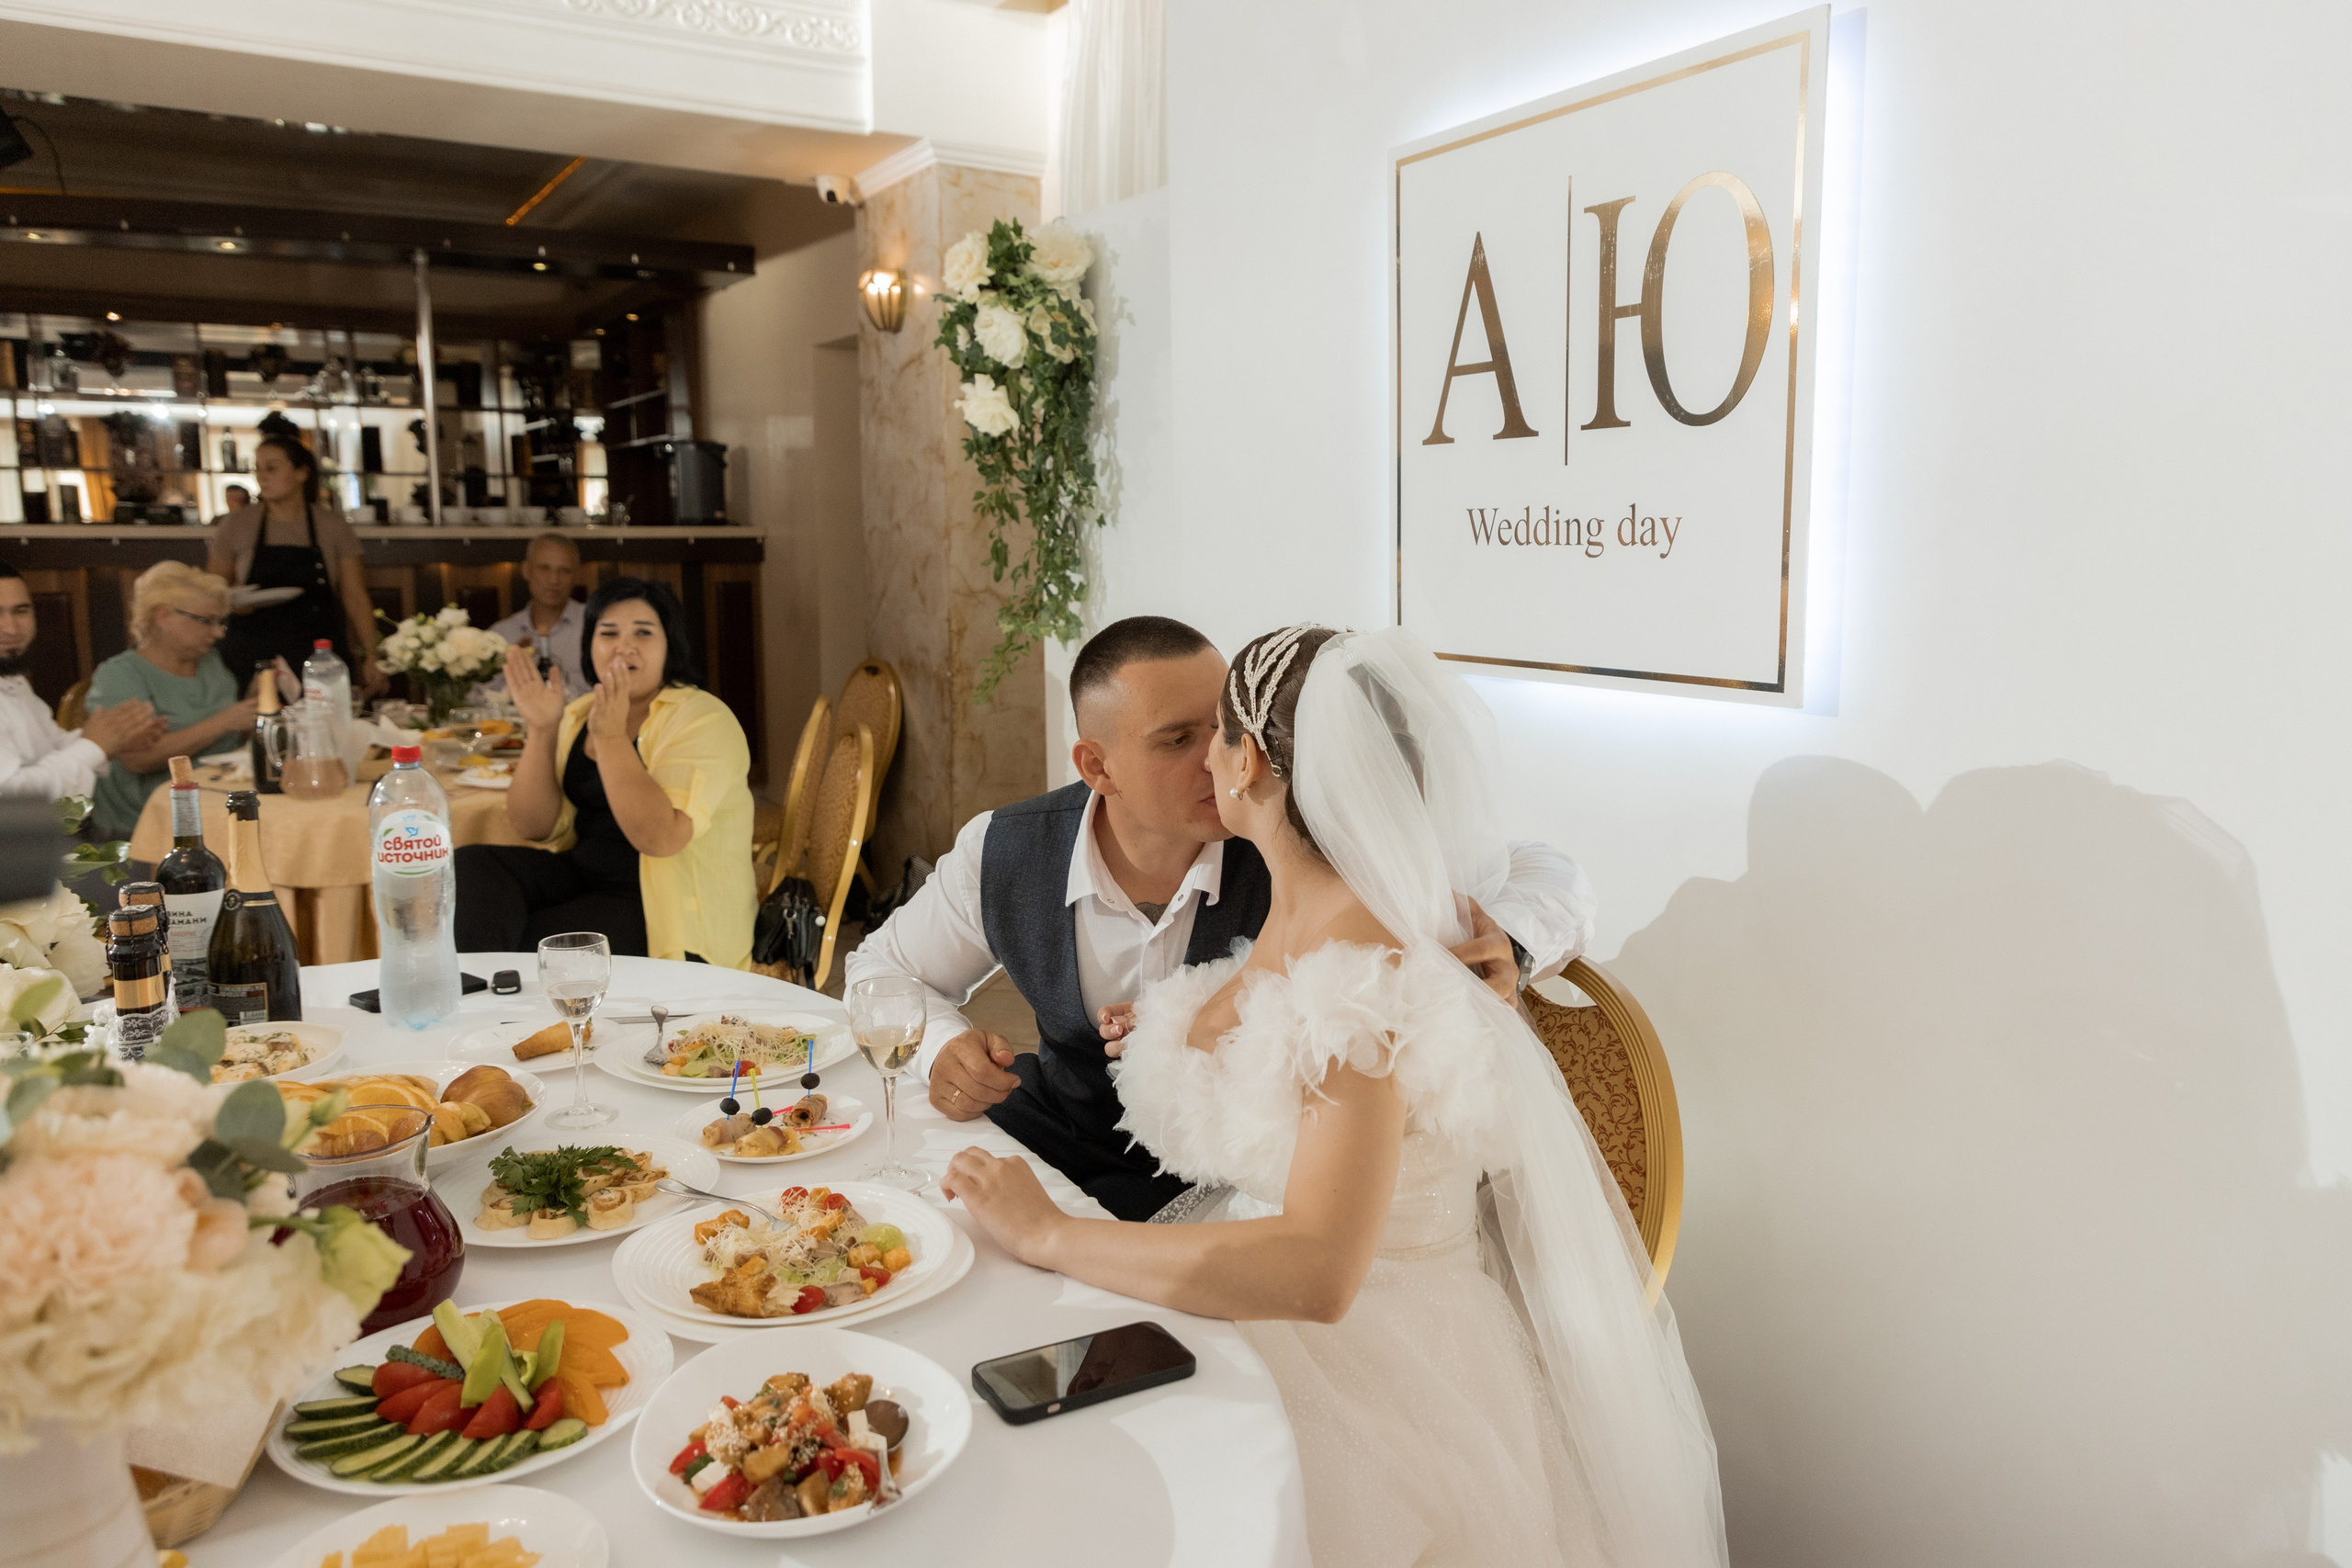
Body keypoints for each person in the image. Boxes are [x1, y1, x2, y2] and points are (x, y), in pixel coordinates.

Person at [943, 626, 1727, 1568]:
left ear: (1256, 767)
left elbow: (1320, 1268)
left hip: (1374, 1363)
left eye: (1216, 736)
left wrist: (1050, 1234)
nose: (1203, 763)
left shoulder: (1364, 976)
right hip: (1254, 1277)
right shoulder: (1301, 901)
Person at [844, 615, 1593, 1221]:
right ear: (1096, 766)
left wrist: (1512, 944)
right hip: (1053, 1152)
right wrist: (940, 1046)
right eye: (1177, 739)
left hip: (1216, 1196)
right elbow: (880, 968)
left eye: (1221, 725)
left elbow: (1547, 870)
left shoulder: (1299, 842)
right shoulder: (1005, 849)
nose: (1221, 759)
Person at [452, 577, 756, 965]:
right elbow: (534, 826)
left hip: (663, 902)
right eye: (608, 632)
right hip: (585, 875)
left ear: (670, 647)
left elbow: (661, 838)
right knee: (473, 866)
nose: (623, 646)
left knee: (532, 945)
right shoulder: (579, 714)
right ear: (589, 645)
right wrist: (543, 730)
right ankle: (483, 990)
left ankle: (489, 992)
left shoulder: (701, 718)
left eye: (643, 633)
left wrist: (612, 739)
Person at [85, 561, 294, 840]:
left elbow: (230, 744)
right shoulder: (120, 675)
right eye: (207, 621)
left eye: (221, 622)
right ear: (163, 616)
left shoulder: (211, 664)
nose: (219, 633)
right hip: (146, 826)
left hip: (216, 806)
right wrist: (222, 722)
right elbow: (137, 759)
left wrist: (254, 701)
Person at [207, 434, 385, 695]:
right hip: (254, 651)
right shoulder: (235, 524)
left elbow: (355, 596)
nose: (262, 476)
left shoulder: (333, 526)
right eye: (258, 469)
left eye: (272, 468)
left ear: (302, 473)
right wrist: (233, 604)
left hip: (319, 652)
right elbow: (213, 589)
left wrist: (372, 655)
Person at [0, 561, 164, 805]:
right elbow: (13, 799)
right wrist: (93, 746)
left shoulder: (12, 680)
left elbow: (51, 747)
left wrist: (115, 740)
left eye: (21, 611)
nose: (11, 628)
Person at [484, 533, 587, 697]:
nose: (554, 580)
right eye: (544, 568)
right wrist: (512, 670)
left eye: (564, 571)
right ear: (526, 570)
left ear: (576, 575)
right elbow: (479, 699)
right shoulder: (501, 635)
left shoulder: (596, 627)